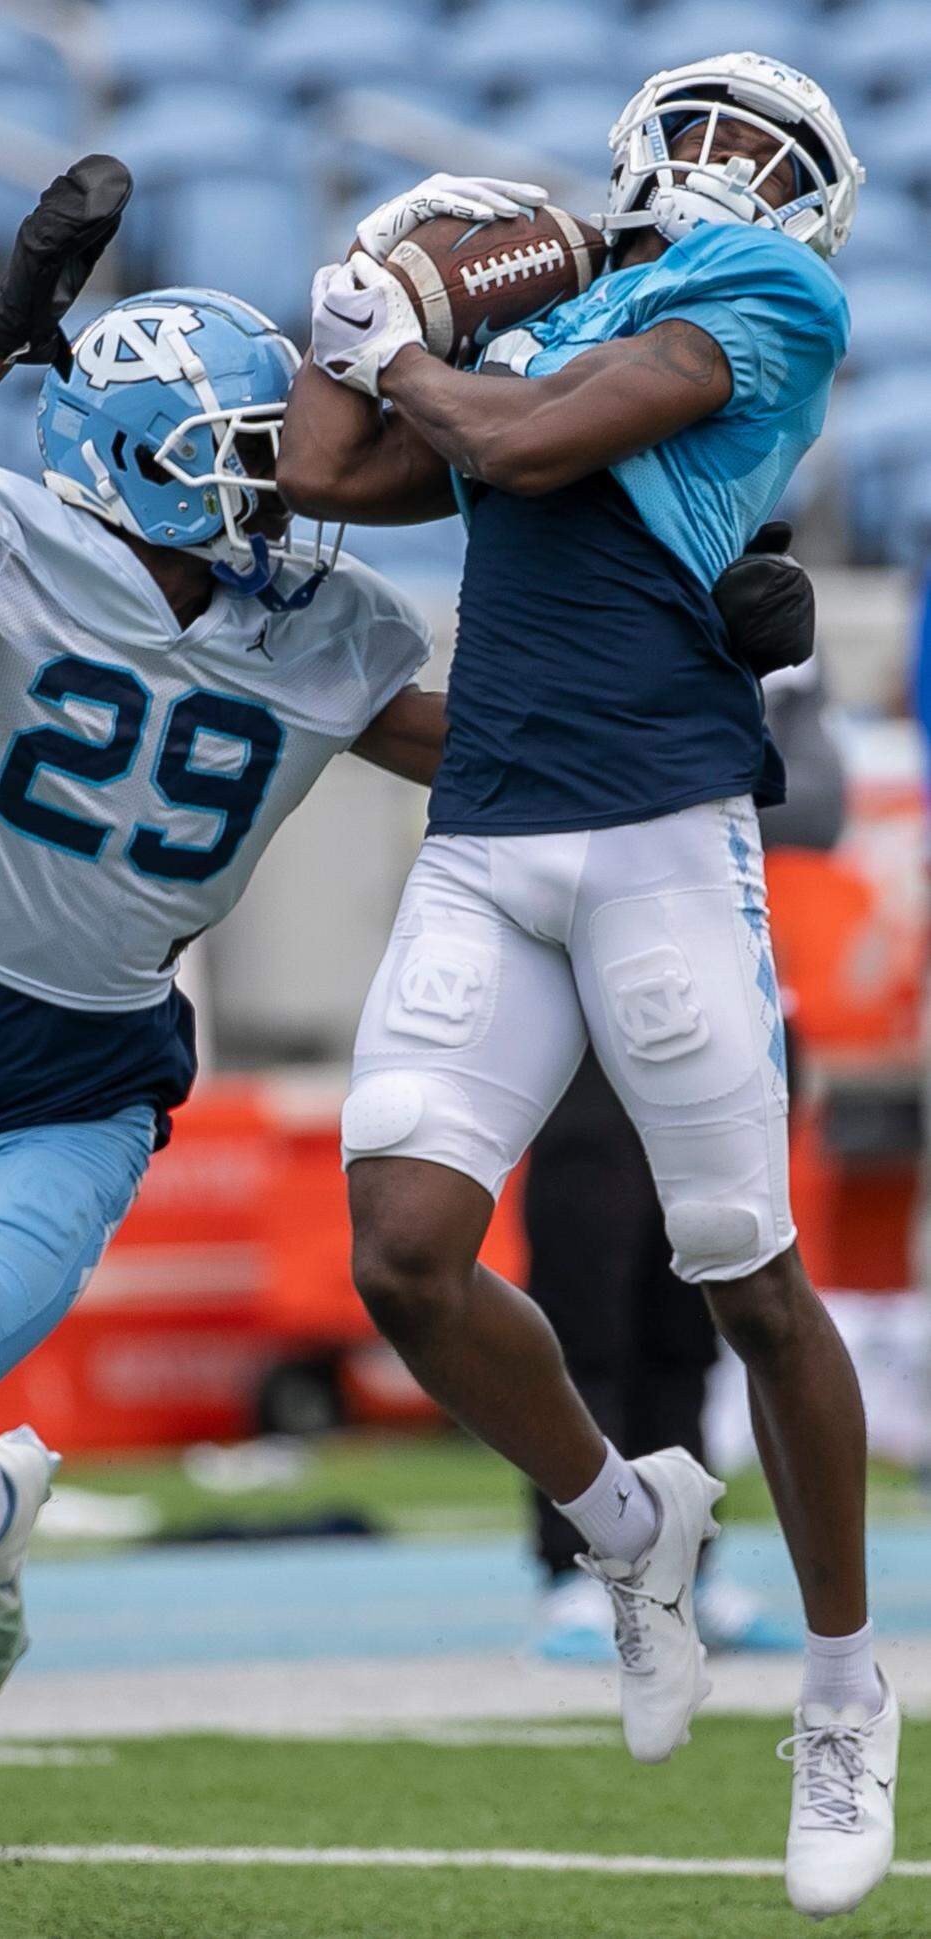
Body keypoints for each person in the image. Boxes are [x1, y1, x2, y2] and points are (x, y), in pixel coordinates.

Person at [277, 52, 898, 1920]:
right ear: (638, 140)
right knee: (400, 1242)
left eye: (767, 151)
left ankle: (847, 1692)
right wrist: (345, 306)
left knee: (746, 1268)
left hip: (657, 833)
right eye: (701, 127)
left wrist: (399, 342)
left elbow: (525, 448)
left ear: (809, 205)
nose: (721, 165)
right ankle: (626, 1522)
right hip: (489, 831)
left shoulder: (775, 295)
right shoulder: (565, 292)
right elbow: (323, 470)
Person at [0, 155, 446, 1743]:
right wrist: (2, 339)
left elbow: (493, 749)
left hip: (83, 1085)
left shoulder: (329, 633)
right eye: (250, 457)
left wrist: (689, 662)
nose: (290, 485)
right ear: (147, 464)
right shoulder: (11, 548)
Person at [527, 644, 847, 1662]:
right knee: (589, 1299)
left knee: (703, 1308)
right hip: (584, 995)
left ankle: (689, 1560)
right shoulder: (558, 598)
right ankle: (581, 1565)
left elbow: (817, 805)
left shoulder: (745, 586)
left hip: (718, 985)